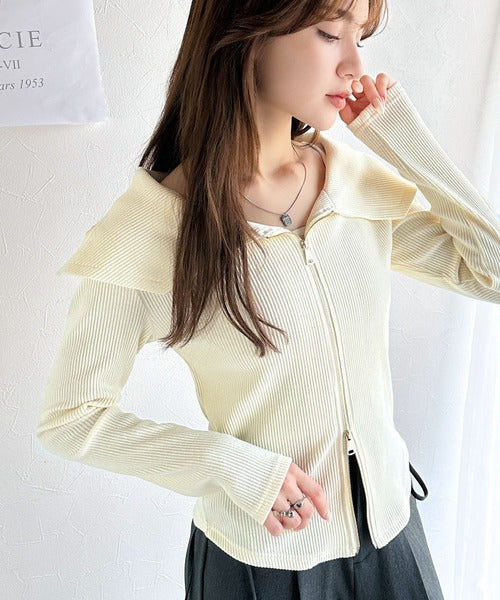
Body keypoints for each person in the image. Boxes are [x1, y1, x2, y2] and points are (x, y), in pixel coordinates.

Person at [36, 0, 500, 598]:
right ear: (249, 32)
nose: (355, 65)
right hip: (261, 561)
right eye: (330, 33)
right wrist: (232, 467)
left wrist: (402, 139)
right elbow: (70, 419)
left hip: (394, 538)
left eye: (361, 37)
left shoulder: (353, 189)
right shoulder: (155, 229)